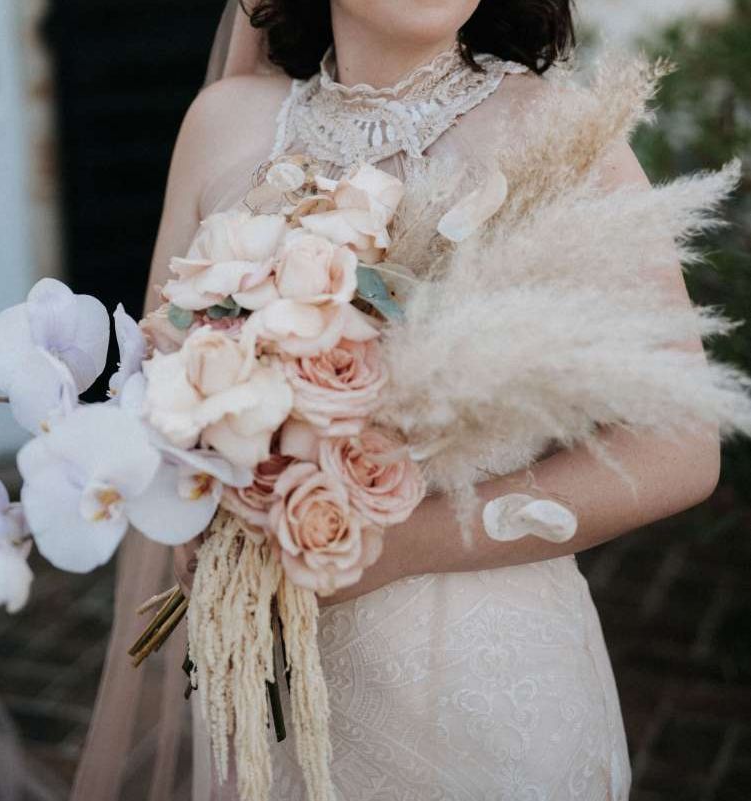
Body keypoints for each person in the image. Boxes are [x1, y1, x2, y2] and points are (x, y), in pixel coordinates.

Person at [73, 2, 721, 799]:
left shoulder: (565, 134)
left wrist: (391, 546)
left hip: (485, 701)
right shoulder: (221, 123)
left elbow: (682, 448)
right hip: (263, 695)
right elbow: (156, 396)